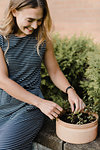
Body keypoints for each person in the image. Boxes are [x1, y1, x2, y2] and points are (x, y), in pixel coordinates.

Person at [0, 0, 85, 149]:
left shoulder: (42, 40)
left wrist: (70, 91)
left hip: (29, 108)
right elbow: (2, 80)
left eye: (39, 20)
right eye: (30, 20)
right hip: (4, 105)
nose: (35, 26)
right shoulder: (1, 39)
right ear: (14, 11)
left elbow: (55, 71)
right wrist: (41, 103)